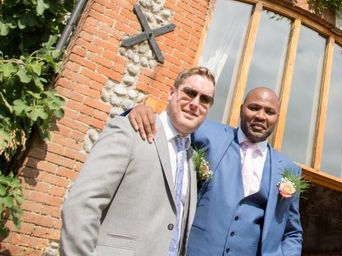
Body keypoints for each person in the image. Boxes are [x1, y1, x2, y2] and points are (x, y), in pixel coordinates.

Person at [128, 86, 303, 256]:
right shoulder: (208, 134)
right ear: (241, 109)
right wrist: (142, 111)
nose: (260, 116)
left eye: (269, 112)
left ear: (277, 118)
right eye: (254, 108)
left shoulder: (288, 169)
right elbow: (170, 127)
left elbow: (292, 232)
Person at [60, 67, 216, 256]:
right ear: (171, 93)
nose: (195, 103)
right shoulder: (130, 132)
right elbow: (82, 205)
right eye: (189, 93)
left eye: (205, 99)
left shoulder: (190, 160)